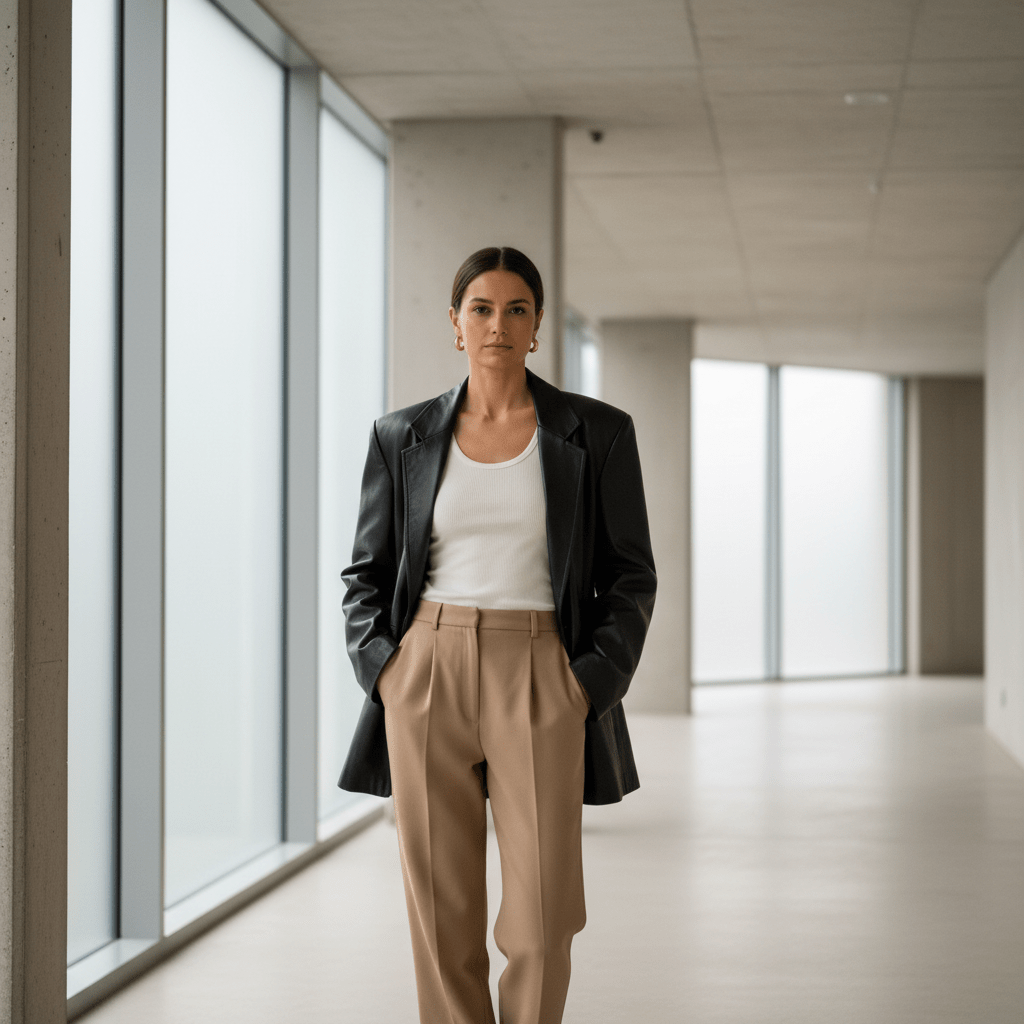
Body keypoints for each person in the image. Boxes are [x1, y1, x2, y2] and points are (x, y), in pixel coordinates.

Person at [338, 246, 657, 1024]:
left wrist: (587, 684)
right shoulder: (401, 435)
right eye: (481, 308)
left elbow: (630, 574)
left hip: (542, 670)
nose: (498, 325)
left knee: (545, 918)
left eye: (517, 309)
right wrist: (385, 669)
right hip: (427, 670)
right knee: (441, 913)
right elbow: (365, 575)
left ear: (538, 326)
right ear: (455, 324)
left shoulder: (598, 433)